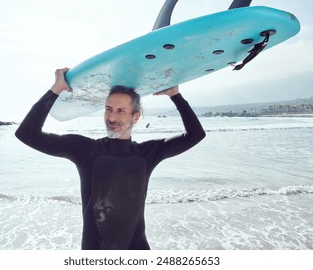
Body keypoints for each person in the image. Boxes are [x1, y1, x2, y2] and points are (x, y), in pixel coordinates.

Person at [15, 67, 206, 250]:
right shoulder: (85, 149)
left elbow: (195, 134)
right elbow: (27, 134)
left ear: (136, 116)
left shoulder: (147, 153)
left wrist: (175, 95)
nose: (112, 117)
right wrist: (56, 89)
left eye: (120, 110)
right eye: (108, 109)